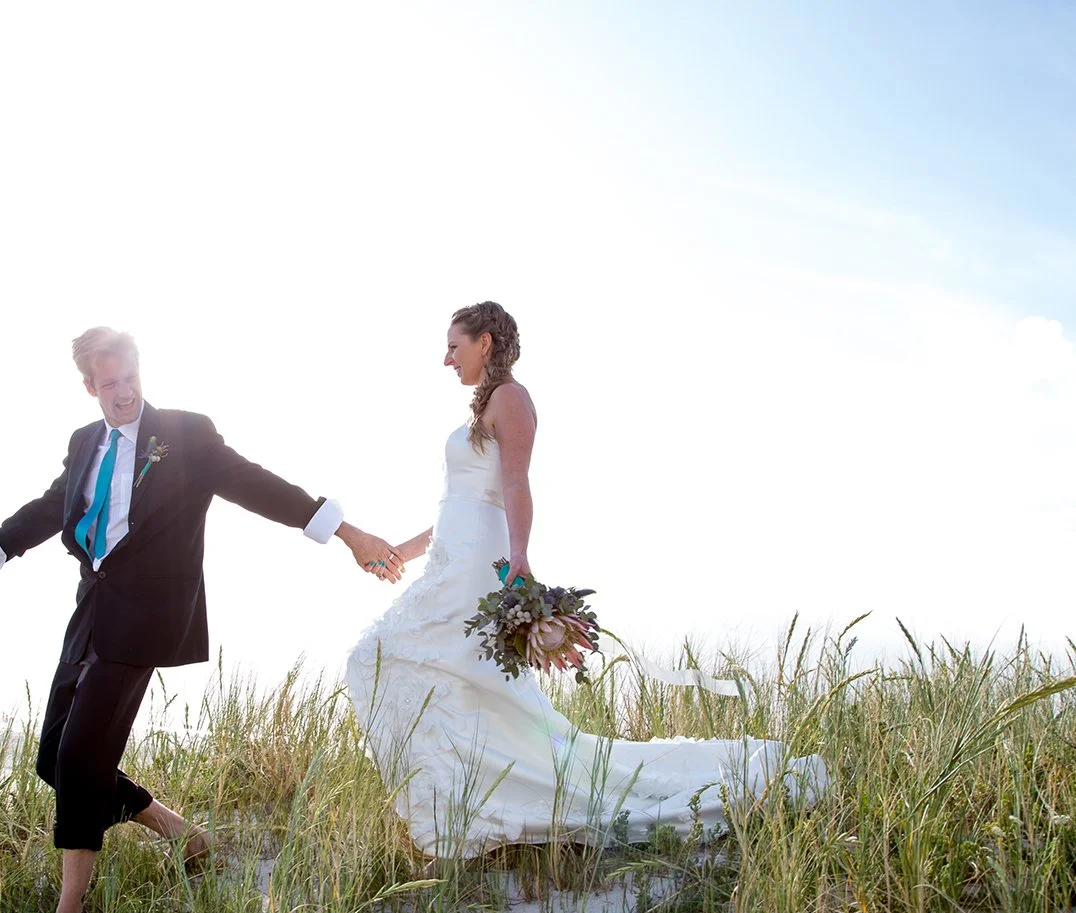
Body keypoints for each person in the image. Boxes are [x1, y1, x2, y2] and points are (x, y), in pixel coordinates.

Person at [0, 326, 401, 913]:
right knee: (54, 760)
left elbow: (256, 484)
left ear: (140, 373)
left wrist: (345, 530)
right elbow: (49, 508)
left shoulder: (185, 434)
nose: (123, 393)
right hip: (92, 606)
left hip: (149, 615)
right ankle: (183, 834)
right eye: (109, 383)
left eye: (131, 378)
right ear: (89, 385)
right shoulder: (84, 442)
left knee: (78, 758)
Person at [344, 302, 827, 861]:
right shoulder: (483, 409)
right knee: (443, 678)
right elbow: (459, 501)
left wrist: (520, 556)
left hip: (478, 561)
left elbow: (516, 485)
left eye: (455, 345)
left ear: (487, 343)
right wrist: (403, 550)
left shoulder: (512, 399)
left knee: (377, 657)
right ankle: (460, 804)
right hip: (453, 553)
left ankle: (506, 800)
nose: (446, 358)